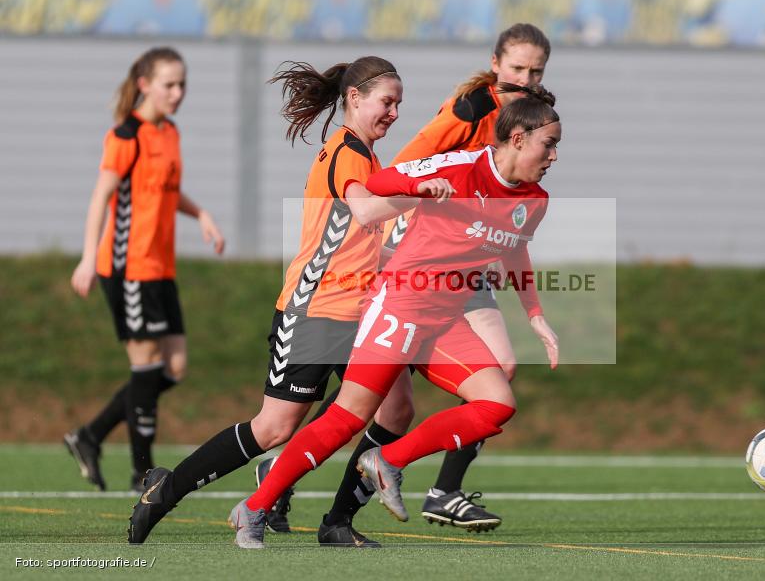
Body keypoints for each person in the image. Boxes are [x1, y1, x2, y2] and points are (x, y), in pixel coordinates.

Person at [229, 84, 561, 549]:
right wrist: (419, 187)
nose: (554, 156)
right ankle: (254, 507)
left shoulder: (535, 200)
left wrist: (535, 315)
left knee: (496, 405)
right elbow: (380, 184)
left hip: (446, 320)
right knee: (348, 418)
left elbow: (516, 249)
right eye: (549, 144)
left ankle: (387, 461)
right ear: (519, 139)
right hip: (401, 305)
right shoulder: (460, 166)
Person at [127, 55, 414, 545]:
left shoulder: (367, 156)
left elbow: (363, 236)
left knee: (395, 410)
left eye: (398, 104)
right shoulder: (345, 150)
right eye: (387, 102)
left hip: (360, 313)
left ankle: (337, 523)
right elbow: (365, 210)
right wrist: (420, 195)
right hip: (314, 311)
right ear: (355, 98)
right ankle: (166, 488)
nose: (394, 113)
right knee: (274, 427)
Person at [294, 22, 552, 540]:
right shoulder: (470, 109)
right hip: (424, 250)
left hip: (470, 253)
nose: (526, 78)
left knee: (416, 394)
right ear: (496, 64)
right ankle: (295, 478)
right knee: (374, 399)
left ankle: (434, 490)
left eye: (536, 70)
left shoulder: (529, 116)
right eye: (518, 68)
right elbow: (410, 161)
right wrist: (419, 206)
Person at [65, 47, 225, 492]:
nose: (178, 92)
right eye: (169, 84)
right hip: (127, 267)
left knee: (172, 367)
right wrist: (86, 257)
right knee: (146, 367)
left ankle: (89, 436)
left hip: (160, 268)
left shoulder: (168, 132)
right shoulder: (125, 136)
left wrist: (202, 214)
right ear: (144, 85)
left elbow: (167, 192)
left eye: (182, 84)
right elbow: (101, 197)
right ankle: (142, 473)